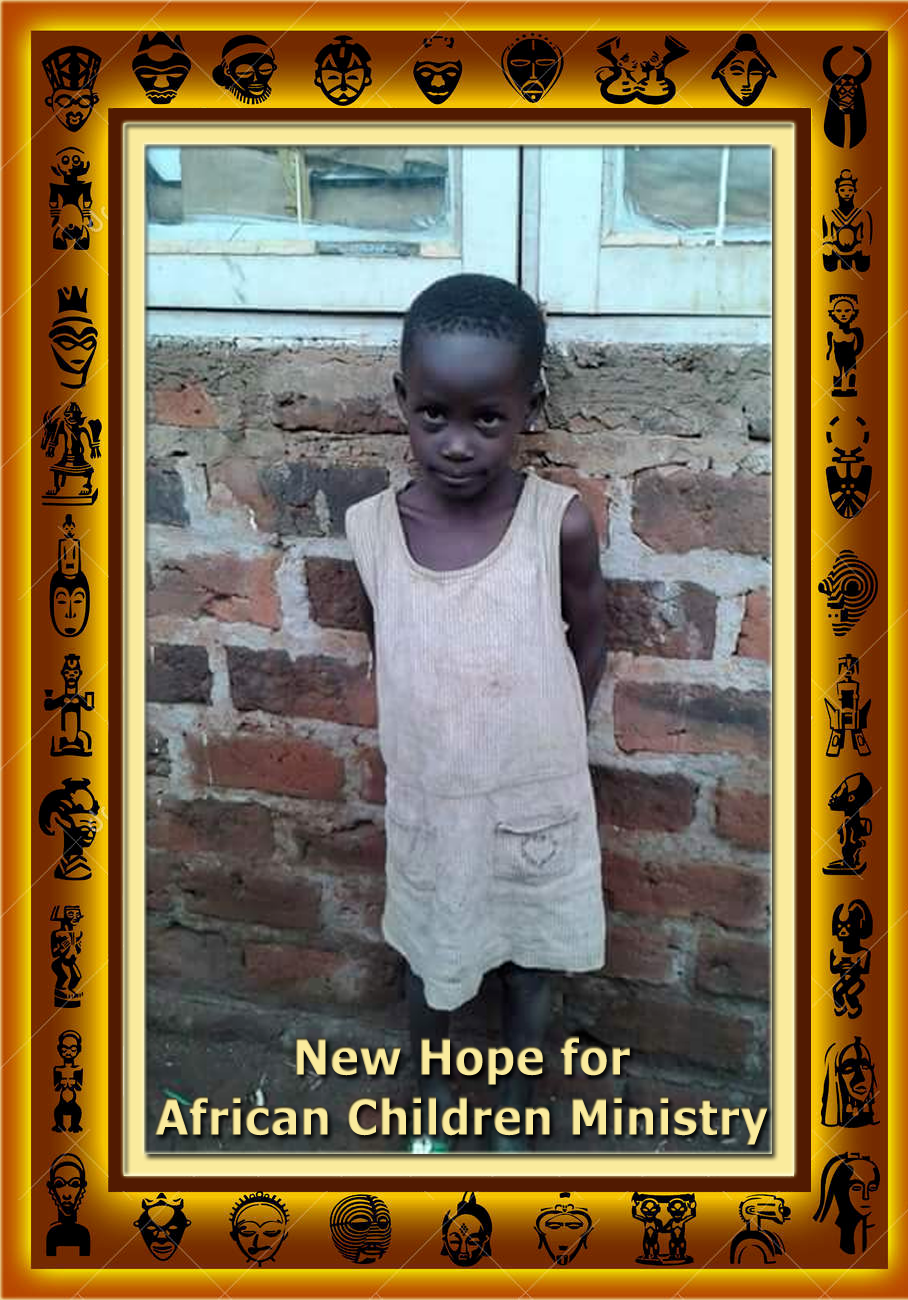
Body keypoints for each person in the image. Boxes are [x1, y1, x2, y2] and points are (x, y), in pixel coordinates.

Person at [344, 273, 607, 1153]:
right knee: (431, 958)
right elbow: (391, 643)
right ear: (402, 402)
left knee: (532, 967)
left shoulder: (558, 525)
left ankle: (518, 1112)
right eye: (434, 416)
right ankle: (432, 1099)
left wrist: (544, 744)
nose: (456, 444)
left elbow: (588, 645)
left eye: (487, 419)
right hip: (430, 800)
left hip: (536, 801)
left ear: (531, 408)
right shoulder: (371, 530)